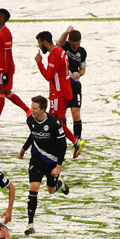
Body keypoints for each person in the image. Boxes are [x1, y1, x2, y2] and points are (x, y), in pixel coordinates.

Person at [17, 95, 69, 236]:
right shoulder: (30, 120)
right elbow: (33, 134)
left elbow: (63, 145)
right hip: (36, 160)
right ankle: (30, 224)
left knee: (51, 190)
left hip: (52, 162)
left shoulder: (54, 123)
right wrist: (24, 149)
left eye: (34, 108)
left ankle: (60, 183)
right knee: (34, 188)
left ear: (43, 109)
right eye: (31, 107)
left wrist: (58, 166)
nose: (31, 110)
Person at [35, 31, 85, 159]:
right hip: (65, 90)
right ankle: (64, 145)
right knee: (58, 121)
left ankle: (73, 141)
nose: (39, 47)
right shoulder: (60, 50)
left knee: (55, 121)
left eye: (40, 43)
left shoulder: (54, 55)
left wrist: (39, 63)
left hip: (58, 93)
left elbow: (48, 76)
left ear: (45, 43)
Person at [0, 9, 30, 127]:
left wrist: (5, 71)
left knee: (0, 91)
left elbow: (7, 54)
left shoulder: (6, 33)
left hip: (4, 68)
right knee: (7, 92)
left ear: (2, 19)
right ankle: (28, 111)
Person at [57, 26, 87, 143]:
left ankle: (77, 140)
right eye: (73, 44)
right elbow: (59, 43)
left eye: (77, 44)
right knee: (61, 114)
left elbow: (83, 70)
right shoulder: (65, 46)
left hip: (75, 84)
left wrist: (79, 74)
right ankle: (62, 138)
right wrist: (66, 32)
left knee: (76, 112)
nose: (75, 46)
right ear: (69, 41)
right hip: (63, 84)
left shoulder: (82, 52)